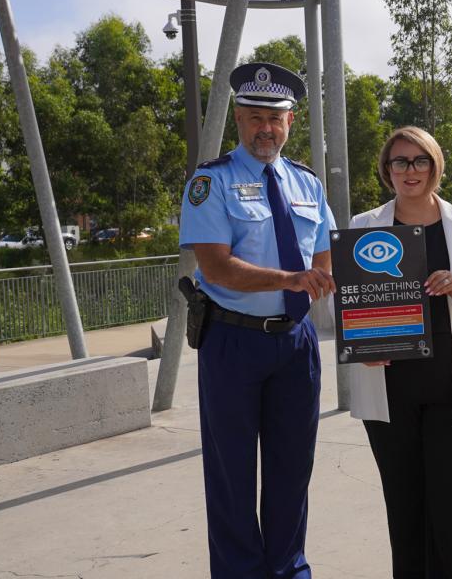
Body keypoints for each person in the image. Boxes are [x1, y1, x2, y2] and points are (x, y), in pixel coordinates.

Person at [178, 62, 336, 579]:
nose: (265, 128)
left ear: (290, 122)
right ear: (239, 123)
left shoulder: (306, 184)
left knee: (293, 472)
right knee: (232, 478)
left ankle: (291, 570)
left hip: (296, 345)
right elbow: (215, 265)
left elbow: (327, 256)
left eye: (275, 117)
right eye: (253, 118)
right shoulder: (211, 181)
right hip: (232, 342)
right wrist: (288, 280)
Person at [349, 126, 452, 578]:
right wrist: (360, 342)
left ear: (435, 165)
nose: (410, 170)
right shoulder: (362, 227)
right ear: (387, 171)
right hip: (391, 386)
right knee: (404, 506)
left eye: (420, 160)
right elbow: (347, 299)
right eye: (399, 162)